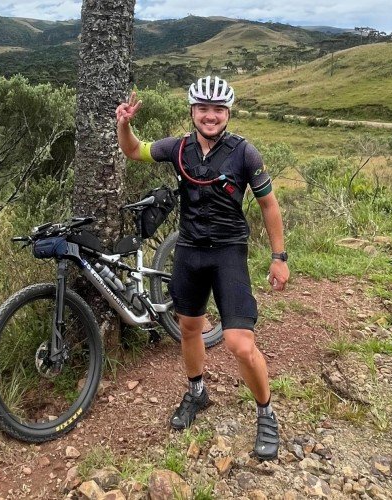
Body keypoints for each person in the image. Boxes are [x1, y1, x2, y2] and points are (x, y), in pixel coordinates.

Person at [116, 76, 290, 460]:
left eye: (218, 110)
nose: (210, 116)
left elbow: (269, 206)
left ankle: (266, 411)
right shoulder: (177, 148)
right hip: (190, 251)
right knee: (189, 329)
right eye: (203, 109)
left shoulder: (245, 153)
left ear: (227, 113)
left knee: (239, 343)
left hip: (228, 252)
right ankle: (197, 392)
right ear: (193, 112)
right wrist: (124, 123)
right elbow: (133, 151)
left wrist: (279, 258)